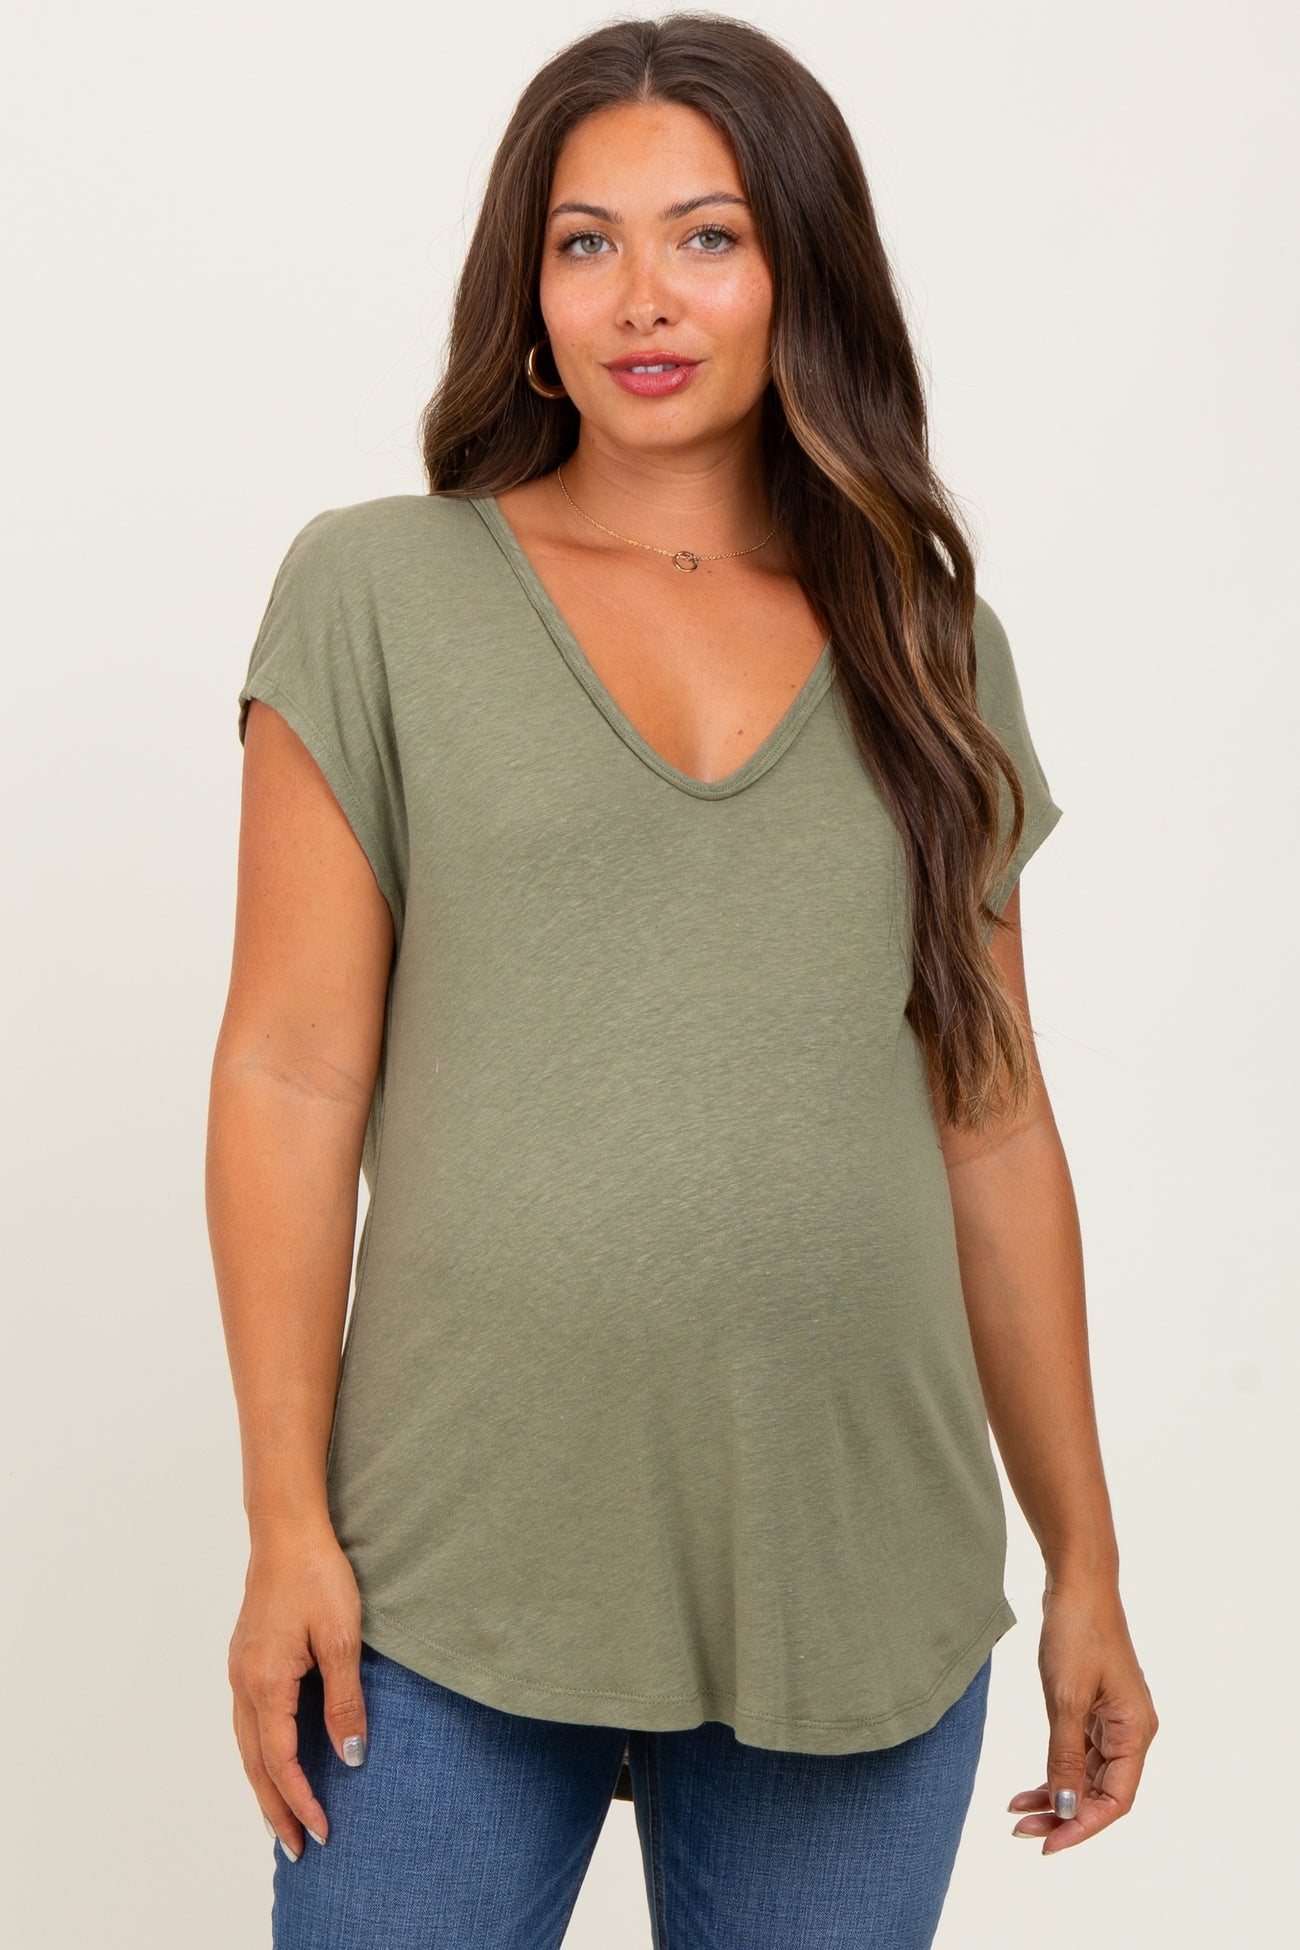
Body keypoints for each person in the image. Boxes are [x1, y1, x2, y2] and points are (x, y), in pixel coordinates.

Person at [206, 14, 1158, 1948]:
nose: (643, 295)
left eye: (707, 236)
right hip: (448, 1573)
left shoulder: (931, 643)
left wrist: (1088, 1561)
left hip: (858, 1568)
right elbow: (291, 1079)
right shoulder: (380, 592)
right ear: (529, 296)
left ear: (800, 272)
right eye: (587, 242)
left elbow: (992, 1122)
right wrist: (286, 1521)